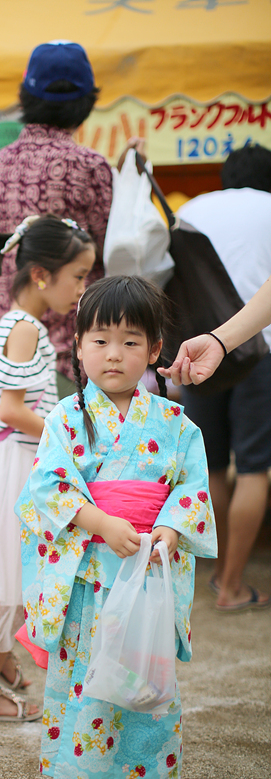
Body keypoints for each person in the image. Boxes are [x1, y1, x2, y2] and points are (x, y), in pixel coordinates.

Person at [16, 275, 216, 779]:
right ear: (78, 346)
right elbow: (47, 487)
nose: (113, 354)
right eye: (100, 340)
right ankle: (83, 774)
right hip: (89, 570)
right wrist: (100, 522)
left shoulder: (175, 423)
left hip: (147, 566)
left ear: (154, 350)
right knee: (86, 675)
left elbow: (192, 488)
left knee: (148, 673)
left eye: (130, 342)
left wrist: (171, 530)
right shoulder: (65, 418)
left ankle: (157, 775)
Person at [0, 215, 96, 720]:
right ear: (42, 275)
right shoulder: (25, 327)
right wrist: (66, 432)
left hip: (16, 459)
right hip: (17, 461)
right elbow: (9, 409)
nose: (82, 288)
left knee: (14, 576)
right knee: (14, 579)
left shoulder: (21, 323)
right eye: (78, 276)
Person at [159, 144, 271, 613]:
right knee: (254, 468)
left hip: (200, 348)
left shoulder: (192, 210)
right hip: (263, 353)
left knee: (209, 466)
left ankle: (213, 566)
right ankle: (231, 584)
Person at [0, 40, 112, 392]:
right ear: (87, 101)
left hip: (6, 355)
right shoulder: (89, 165)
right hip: (69, 360)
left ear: (26, 96)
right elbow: (110, 251)